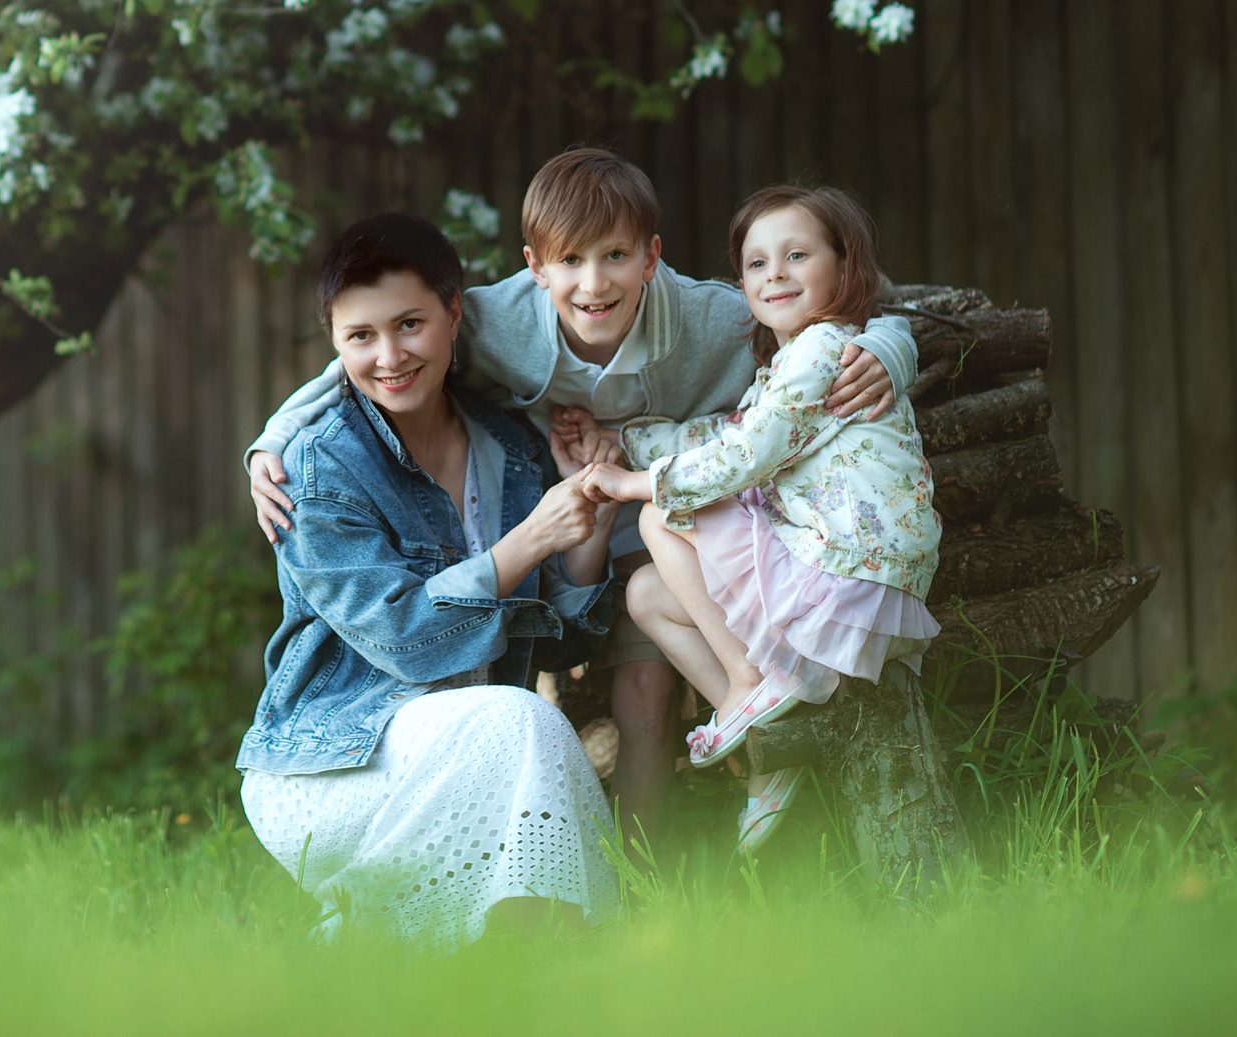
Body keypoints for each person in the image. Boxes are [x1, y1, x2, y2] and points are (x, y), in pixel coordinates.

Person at [245, 149, 918, 841]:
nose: (593, 283)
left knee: (649, 686)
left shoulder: (715, 316)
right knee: (633, 699)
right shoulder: (491, 319)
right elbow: (377, 343)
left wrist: (893, 349)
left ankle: (706, 833)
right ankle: (631, 876)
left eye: (616, 256)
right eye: (569, 262)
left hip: (691, 510)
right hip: (574, 510)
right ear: (537, 268)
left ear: (651, 257)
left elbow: (856, 300)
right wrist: (277, 434)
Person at [237, 213, 622, 948]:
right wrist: (530, 536)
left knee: (521, 726)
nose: (389, 355)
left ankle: (470, 966)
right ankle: (588, 952)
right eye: (361, 337)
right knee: (524, 720)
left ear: (455, 313)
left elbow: (564, 632)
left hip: (470, 741)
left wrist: (590, 514)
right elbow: (408, 641)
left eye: (410, 323)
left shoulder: (509, 444)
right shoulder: (315, 468)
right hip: (337, 762)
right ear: (334, 343)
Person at [578, 185, 942, 854]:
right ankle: (765, 745)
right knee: (647, 594)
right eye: (756, 263)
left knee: (662, 517)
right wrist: (622, 439)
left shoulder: (827, 348)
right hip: (835, 570)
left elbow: (749, 452)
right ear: (740, 280)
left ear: (845, 265)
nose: (774, 273)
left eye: (797, 255)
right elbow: (731, 430)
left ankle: (749, 681)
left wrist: (635, 483)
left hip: (847, 571)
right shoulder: (784, 365)